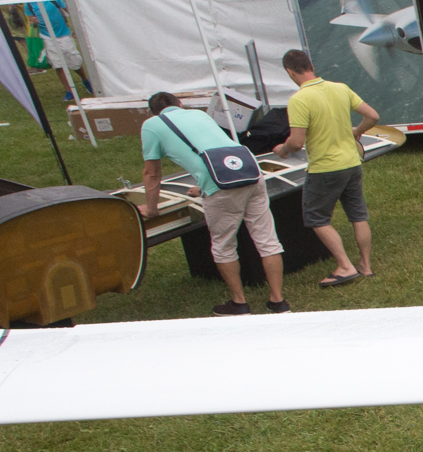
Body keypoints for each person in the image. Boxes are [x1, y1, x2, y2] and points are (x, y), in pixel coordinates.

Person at [142, 92, 287, 316]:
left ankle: (239, 303)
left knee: (224, 246)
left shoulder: (152, 125)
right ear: (180, 104)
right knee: (268, 240)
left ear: (153, 112)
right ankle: (278, 301)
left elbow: (152, 174)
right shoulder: (200, 115)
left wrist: (151, 209)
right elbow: (217, 150)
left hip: (219, 185)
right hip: (250, 171)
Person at [274, 49, 379, 289]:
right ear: (311, 65)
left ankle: (345, 266)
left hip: (325, 168)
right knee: (357, 215)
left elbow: (297, 142)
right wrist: (357, 131)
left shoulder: (299, 99)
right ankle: (365, 265)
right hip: (352, 163)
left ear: (290, 72)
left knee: (316, 218)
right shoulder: (340, 88)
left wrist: (283, 149)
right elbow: (372, 115)